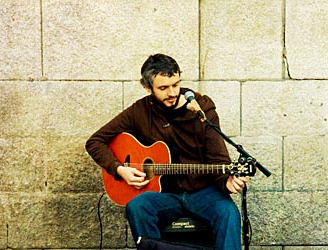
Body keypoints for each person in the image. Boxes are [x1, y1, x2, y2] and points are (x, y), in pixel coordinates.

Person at [86, 53, 248, 249]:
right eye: (163, 88)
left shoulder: (201, 109)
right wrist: (119, 169)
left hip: (203, 192)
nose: (172, 92)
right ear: (148, 88)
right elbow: (95, 141)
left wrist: (226, 181)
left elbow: (218, 158)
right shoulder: (139, 111)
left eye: (176, 84)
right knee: (137, 207)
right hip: (164, 195)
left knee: (228, 212)